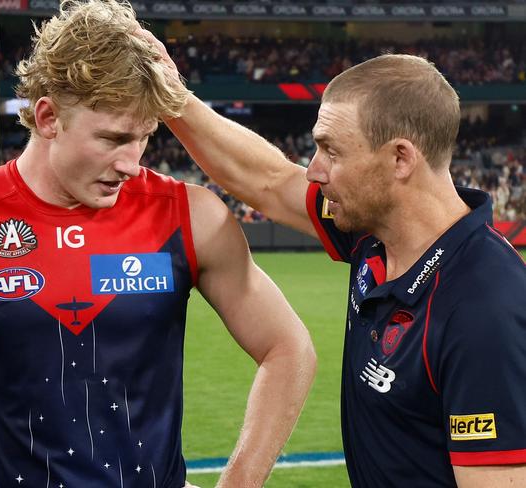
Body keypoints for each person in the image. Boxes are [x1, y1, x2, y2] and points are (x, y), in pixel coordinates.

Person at [0, 2, 316, 487]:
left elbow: (288, 347)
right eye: (113, 138)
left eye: (144, 138)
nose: (131, 162)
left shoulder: (190, 216)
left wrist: (238, 483)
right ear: (47, 117)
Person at [143, 38, 526, 488]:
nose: (313, 170)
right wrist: (175, 98)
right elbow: (268, 180)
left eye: (332, 151)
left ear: (400, 158)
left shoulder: (484, 308)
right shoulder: (372, 231)